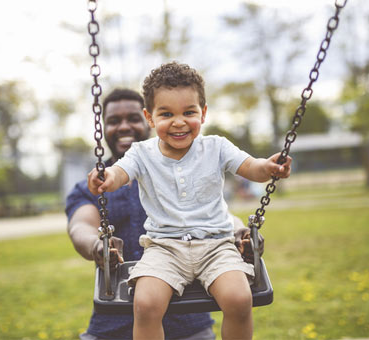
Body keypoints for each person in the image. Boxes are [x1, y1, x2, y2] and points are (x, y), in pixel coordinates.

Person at [88, 62, 291, 340]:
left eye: (189, 112)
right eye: (167, 113)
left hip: (217, 245)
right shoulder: (141, 153)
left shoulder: (217, 147)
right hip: (164, 249)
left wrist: (267, 168)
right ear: (150, 117)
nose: (179, 121)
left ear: (203, 113)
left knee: (239, 298)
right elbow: (119, 173)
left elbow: (250, 167)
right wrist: (106, 177)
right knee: (145, 304)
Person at [66, 88, 260, 340]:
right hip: (112, 326)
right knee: (145, 304)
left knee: (238, 298)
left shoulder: (190, 166)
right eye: (114, 121)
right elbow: (80, 227)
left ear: (146, 120)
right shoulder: (94, 185)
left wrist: (239, 231)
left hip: (189, 325)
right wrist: (96, 246)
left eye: (132, 118)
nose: (124, 126)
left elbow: (216, 213)